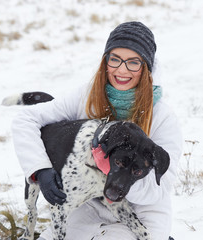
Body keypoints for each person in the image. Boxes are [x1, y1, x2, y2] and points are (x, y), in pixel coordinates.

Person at [12, 21, 183, 240]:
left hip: (144, 209)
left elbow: (159, 189)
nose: (122, 70)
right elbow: (26, 120)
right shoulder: (87, 96)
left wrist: (117, 174)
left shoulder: (162, 118)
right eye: (115, 59)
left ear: (146, 68)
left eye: (133, 62)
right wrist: (40, 169)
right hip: (89, 204)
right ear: (105, 62)